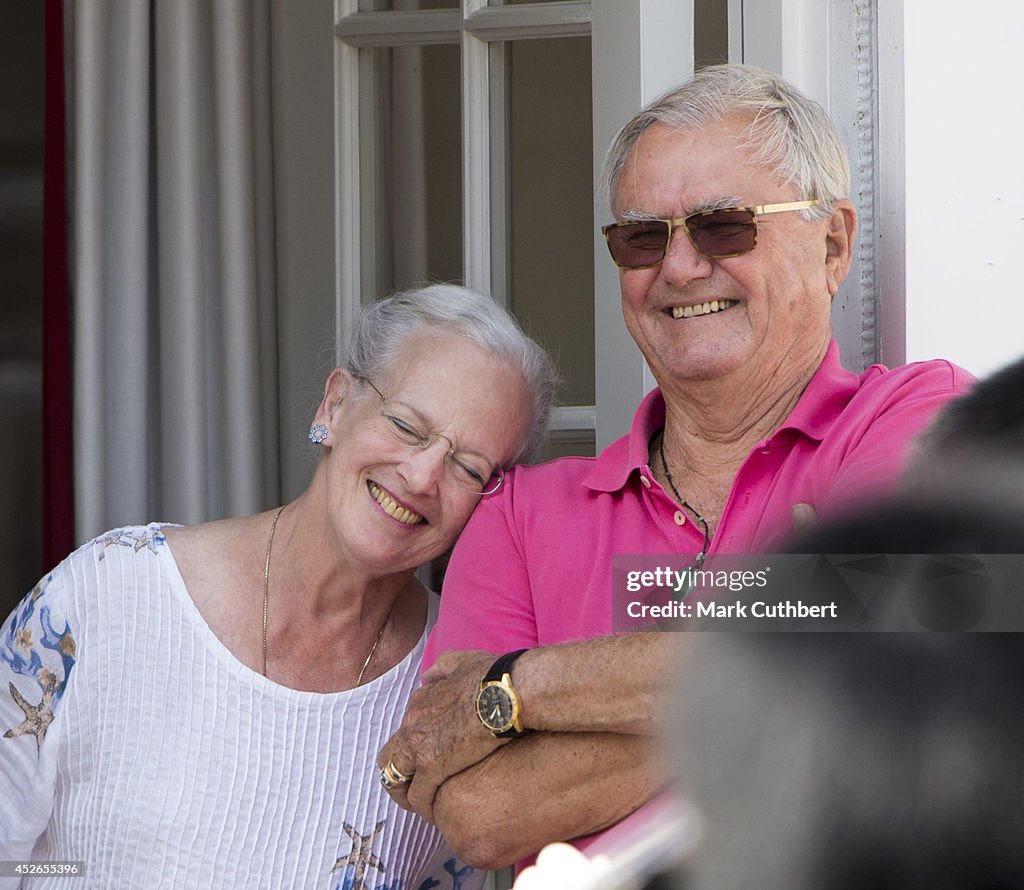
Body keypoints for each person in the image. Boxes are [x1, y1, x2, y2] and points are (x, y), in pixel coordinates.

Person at [377, 65, 973, 869]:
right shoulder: (521, 515)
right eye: (643, 237)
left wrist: (519, 691)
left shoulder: (916, 418)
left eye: (725, 225)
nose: (681, 267)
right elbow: (481, 815)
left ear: (832, 243)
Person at [0, 284, 557, 889]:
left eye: (469, 468)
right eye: (405, 425)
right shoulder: (109, 593)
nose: (422, 477)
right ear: (336, 406)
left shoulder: (453, 691)